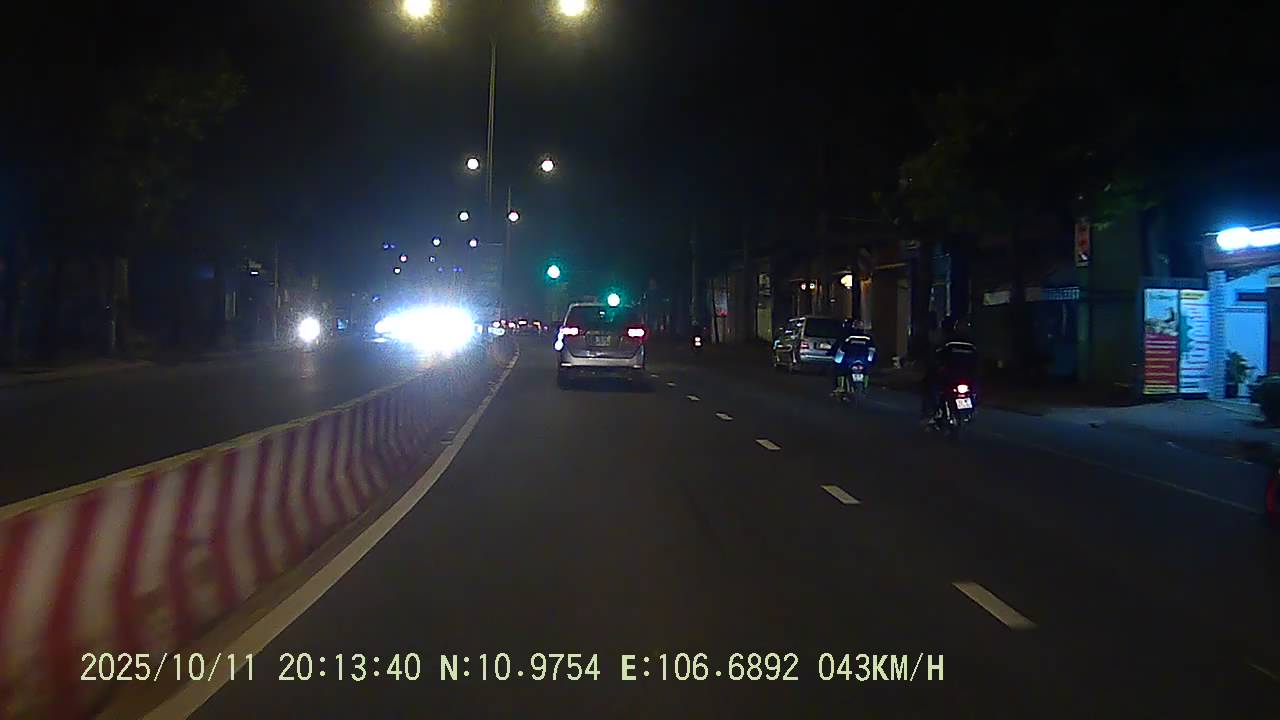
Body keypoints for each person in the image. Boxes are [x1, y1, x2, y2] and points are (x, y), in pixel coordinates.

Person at [831, 319, 876, 394]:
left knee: (840, 370)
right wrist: (870, 359)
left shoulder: (849, 337)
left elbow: (841, 347)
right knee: (866, 371)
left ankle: (840, 387)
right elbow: (872, 349)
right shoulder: (868, 338)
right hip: (863, 359)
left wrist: (835, 355)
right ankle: (865, 386)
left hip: (849, 359)